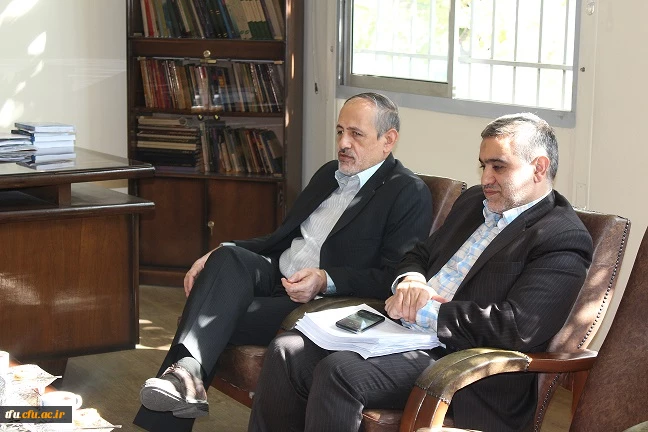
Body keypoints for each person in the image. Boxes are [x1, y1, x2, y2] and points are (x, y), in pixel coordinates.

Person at [248, 113, 594, 432]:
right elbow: (419, 254)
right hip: (400, 333)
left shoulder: (560, 236)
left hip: (462, 362)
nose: (486, 178)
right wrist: (411, 279)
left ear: (539, 167)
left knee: (339, 372)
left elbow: (518, 327)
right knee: (286, 350)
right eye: (483, 165)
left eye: (498, 167)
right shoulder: (475, 202)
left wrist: (424, 310)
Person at [132, 92, 433, 431]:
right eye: (339, 131)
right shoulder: (328, 174)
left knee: (210, 312)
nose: (343, 143)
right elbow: (280, 238)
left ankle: (181, 385)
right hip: (277, 273)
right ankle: (185, 379)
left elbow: (392, 276)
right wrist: (221, 250)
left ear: (388, 140)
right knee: (227, 257)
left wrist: (326, 278)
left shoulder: (407, 192)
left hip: (322, 301)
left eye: (356, 134)